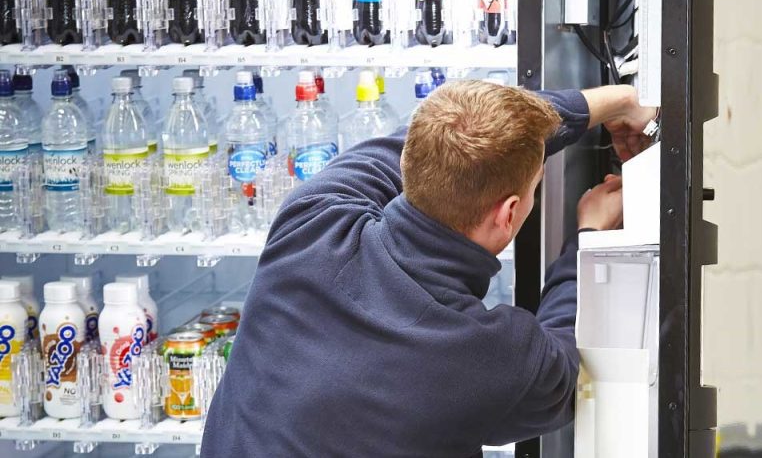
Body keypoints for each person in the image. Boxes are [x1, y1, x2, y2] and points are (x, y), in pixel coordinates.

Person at [201, 81, 656, 457]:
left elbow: (429, 138)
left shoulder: (314, 218)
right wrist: (590, 235)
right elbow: (565, 369)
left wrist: (617, 102)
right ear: (509, 212)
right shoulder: (485, 353)